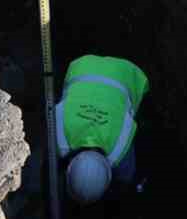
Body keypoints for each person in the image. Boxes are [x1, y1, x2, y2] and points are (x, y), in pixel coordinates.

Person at [55, 54, 149, 205]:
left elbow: (126, 180)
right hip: (82, 66)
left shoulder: (120, 149)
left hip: (123, 72)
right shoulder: (60, 140)